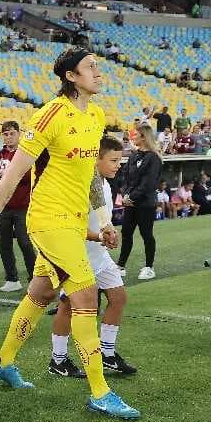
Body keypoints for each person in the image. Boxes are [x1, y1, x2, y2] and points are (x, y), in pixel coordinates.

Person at [0, 47, 140, 421]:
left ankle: (3, 361)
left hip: (76, 222)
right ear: (71, 76)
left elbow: (91, 177)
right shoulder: (49, 115)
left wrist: (104, 221)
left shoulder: (95, 116)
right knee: (85, 294)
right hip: (48, 220)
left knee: (42, 293)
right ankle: (100, 391)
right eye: (90, 67)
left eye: (97, 66)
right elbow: (14, 173)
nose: (98, 72)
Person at [47, 135, 138, 378]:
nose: (118, 165)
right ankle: (58, 360)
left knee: (118, 298)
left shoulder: (105, 184)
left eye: (120, 160)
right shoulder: (79, 186)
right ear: (95, 160)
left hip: (99, 255)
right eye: (113, 160)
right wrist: (99, 236)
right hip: (78, 256)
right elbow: (72, 227)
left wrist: (108, 232)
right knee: (67, 307)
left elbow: (101, 221)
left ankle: (107, 355)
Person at [0, 120, 37, 293]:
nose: (8, 137)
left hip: (23, 205)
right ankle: (12, 278)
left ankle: (34, 278)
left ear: (19, 134)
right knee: (5, 243)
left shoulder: (25, 154)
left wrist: (10, 176)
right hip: (3, 207)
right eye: (5, 134)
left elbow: (31, 176)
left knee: (25, 242)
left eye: (12, 133)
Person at [117, 124, 162, 280]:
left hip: (145, 204)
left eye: (135, 134)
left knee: (146, 234)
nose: (133, 137)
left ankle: (149, 267)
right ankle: (121, 266)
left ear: (144, 136)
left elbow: (148, 183)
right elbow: (124, 178)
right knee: (126, 233)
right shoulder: (133, 155)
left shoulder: (154, 158)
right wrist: (124, 195)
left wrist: (132, 197)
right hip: (130, 203)